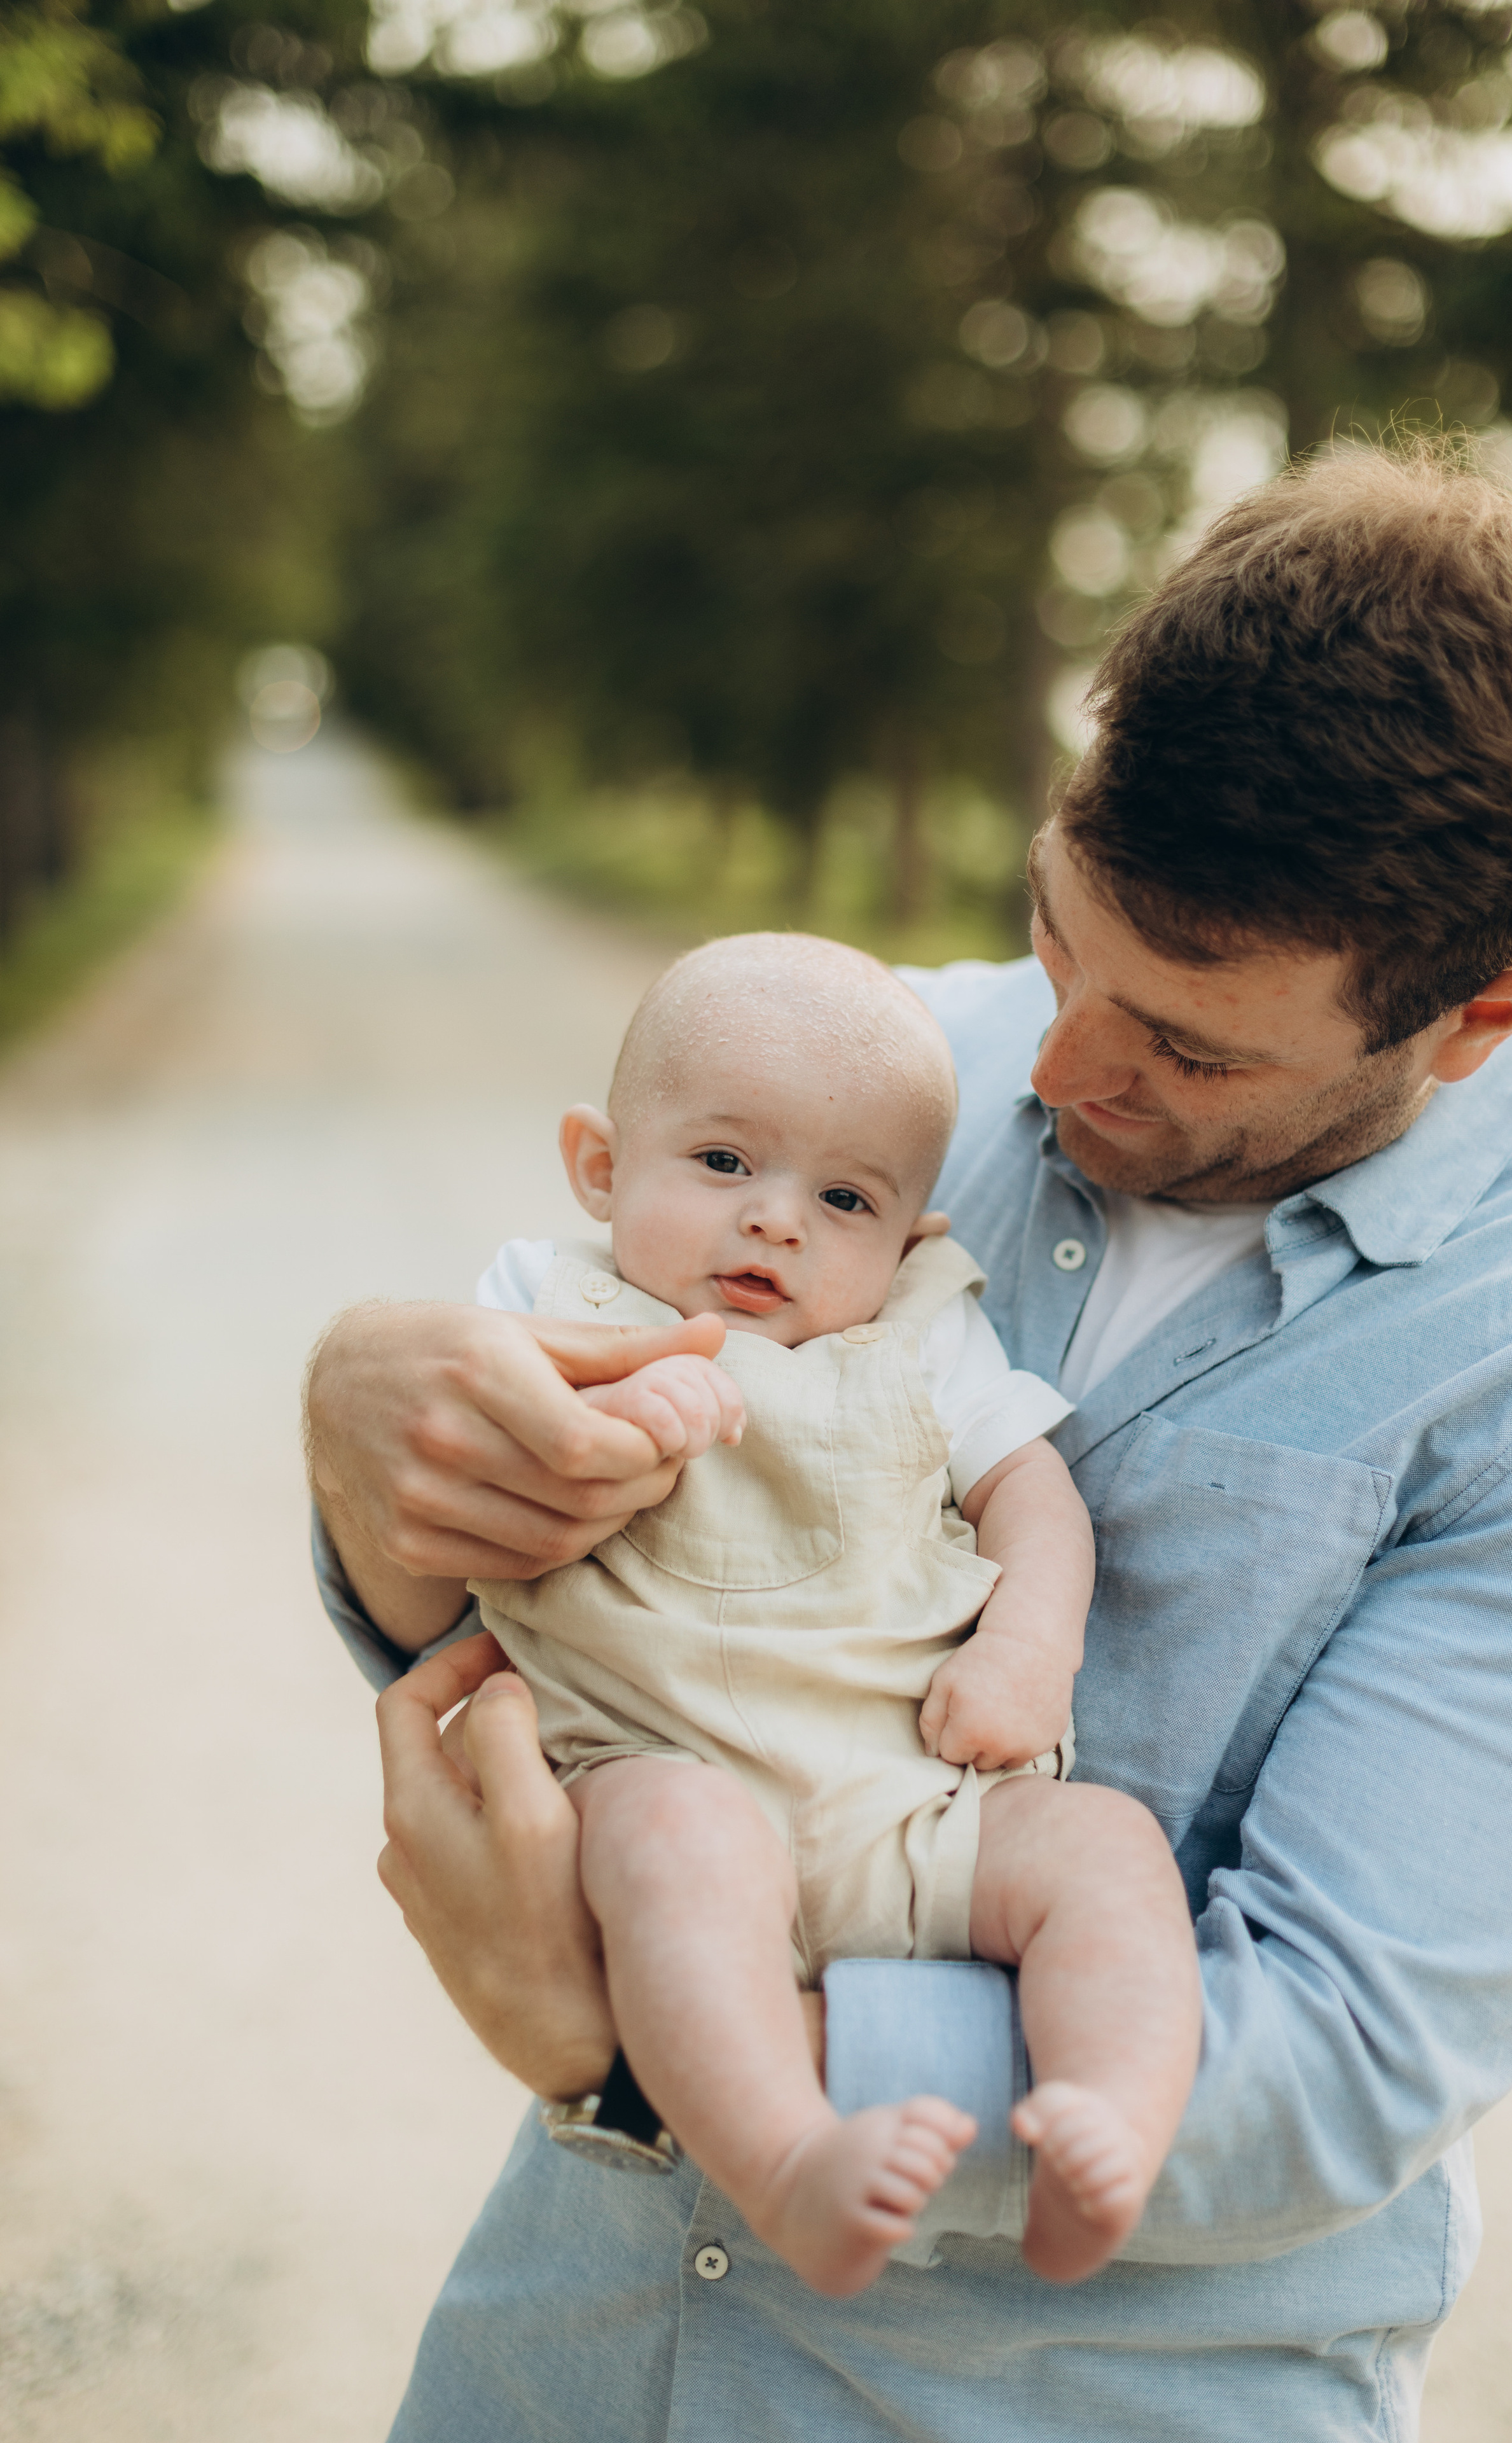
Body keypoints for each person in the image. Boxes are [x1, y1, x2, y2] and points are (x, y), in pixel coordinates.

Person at [307, 447, 1512, 2442]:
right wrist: (355, 1432)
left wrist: (668, 2054)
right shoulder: (889, 1076)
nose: (1063, 1063)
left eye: (1190, 1045)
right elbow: (532, 1575)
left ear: (1476, 1017)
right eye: (1053, 934)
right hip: (571, 2348)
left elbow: (1341, 2056)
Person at [425, 933, 1201, 2295]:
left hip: (918, 1803)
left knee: (1103, 1850)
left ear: (910, 1239)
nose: (776, 1218)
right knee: (674, 1847)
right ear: (602, 1167)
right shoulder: (546, 1304)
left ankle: (1107, 2124)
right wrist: (593, 1416)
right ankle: (787, 2165)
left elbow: (1033, 1492)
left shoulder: (917, 1333)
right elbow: (454, 1466)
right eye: (723, 1164)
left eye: (843, 1199)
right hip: (667, 1780)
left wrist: (1028, 1646)